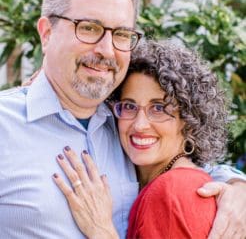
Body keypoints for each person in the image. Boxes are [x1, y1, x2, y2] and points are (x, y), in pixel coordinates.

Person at [0, 0, 245, 239]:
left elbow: (185, 167)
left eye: (120, 34)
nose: (106, 50)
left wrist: (238, 187)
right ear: (47, 33)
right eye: (89, 28)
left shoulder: (124, 125)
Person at [52, 40, 244, 238]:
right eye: (129, 106)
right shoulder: (173, 181)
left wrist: (101, 231)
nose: (139, 124)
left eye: (159, 108)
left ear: (188, 120)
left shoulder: (171, 191)